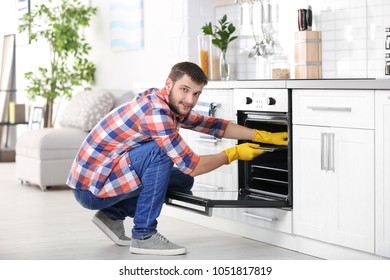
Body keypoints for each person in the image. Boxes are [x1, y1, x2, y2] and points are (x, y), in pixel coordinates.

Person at [66, 61, 288, 256]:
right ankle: (144, 235)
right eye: (185, 89)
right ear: (169, 84)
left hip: (103, 178)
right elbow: (192, 165)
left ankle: (112, 216)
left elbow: (211, 125)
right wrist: (233, 154)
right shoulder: (156, 112)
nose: (190, 99)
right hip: (92, 189)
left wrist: (261, 135)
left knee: (182, 180)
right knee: (162, 152)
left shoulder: (164, 101)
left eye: (196, 93)